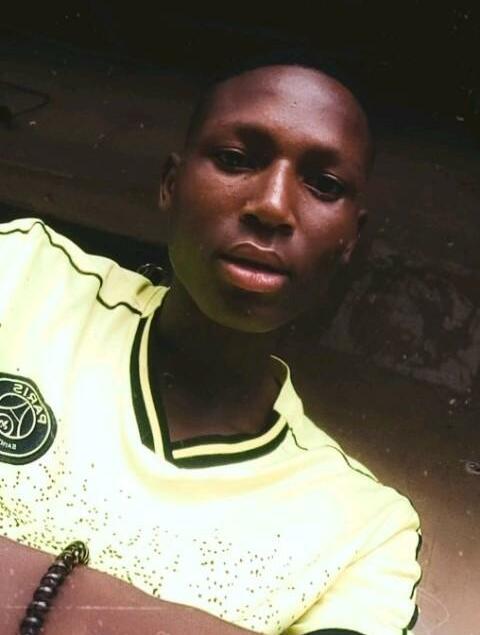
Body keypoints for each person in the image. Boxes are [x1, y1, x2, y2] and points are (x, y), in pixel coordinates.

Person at [0, 60, 421, 635]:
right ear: (170, 185)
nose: (272, 206)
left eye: (323, 185)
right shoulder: (21, 276)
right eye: (235, 159)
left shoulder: (366, 531)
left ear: (350, 240)